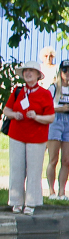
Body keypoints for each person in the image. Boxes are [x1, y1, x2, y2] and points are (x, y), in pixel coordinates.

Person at [3, 61, 54, 216]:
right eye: (26, 71)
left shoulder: (45, 94)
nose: (28, 73)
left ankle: (31, 203)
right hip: (17, 134)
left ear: (38, 75)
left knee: (33, 170)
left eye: (32, 71)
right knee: (16, 168)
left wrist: (37, 117)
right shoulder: (17, 91)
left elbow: (50, 117)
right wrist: (14, 115)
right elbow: (6, 110)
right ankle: (16, 202)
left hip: (36, 137)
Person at [46, 60, 69, 200]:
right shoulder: (54, 88)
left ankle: (62, 191)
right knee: (53, 158)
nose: (67, 73)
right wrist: (61, 108)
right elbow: (46, 107)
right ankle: (51, 191)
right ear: (60, 72)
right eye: (65, 70)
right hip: (55, 120)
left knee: (66, 160)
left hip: (68, 122)